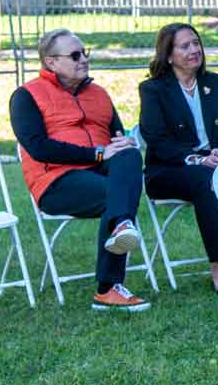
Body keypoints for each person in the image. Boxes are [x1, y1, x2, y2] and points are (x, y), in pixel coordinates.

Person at [10, 28, 150, 311]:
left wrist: (124, 142)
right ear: (51, 62)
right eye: (75, 55)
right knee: (117, 193)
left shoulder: (98, 93)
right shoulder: (26, 96)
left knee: (129, 154)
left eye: (85, 53)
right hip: (56, 181)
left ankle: (120, 230)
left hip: (103, 172)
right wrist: (96, 154)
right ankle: (108, 286)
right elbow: (38, 147)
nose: (83, 60)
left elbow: (117, 136)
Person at [139, 23, 218, 295]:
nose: (194, 50)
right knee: (209, 180)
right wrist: (195, 159)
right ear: (168, 55)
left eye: (196, 43)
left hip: (215, 162)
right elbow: (156, 138)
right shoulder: (153, 90)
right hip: (169, 169)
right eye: (185, 46)